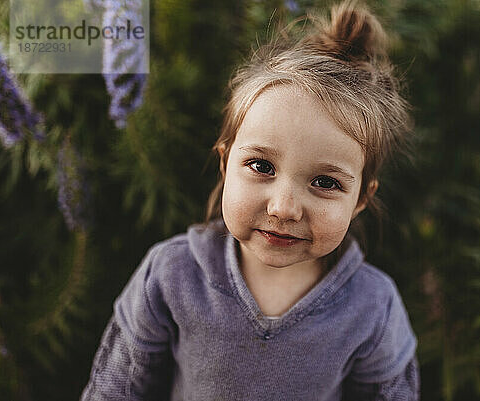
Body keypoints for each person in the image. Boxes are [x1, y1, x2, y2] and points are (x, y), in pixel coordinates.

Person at [81, 1, 419, 400]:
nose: (283, 208)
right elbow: (115, 390)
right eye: (261, 166)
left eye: (325, 181)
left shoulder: (372, 309)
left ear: (362, 198)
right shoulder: (172, 277)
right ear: (225, 164)